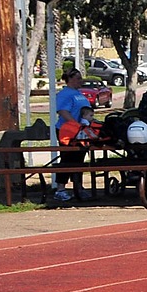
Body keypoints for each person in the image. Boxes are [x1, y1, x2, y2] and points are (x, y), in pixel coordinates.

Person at [52, 68, 92, 203]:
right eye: (78, 78)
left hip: (81, 132)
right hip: (67, 131)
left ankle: (78, 187)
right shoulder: (65, 94)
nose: (80, 81)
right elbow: (63, 111)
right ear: (69, 79)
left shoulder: (79, 94)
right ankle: (60, 189)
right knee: (67, 159)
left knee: (79, 159)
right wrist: (75, 125)